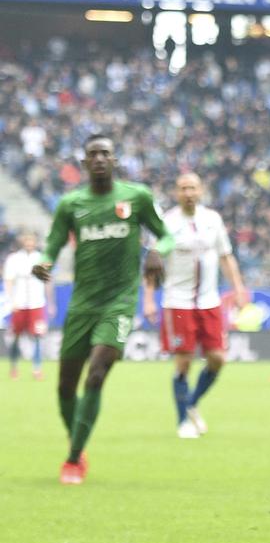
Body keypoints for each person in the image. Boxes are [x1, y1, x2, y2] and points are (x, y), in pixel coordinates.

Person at [34, 134, 172, 485]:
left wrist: (156, 249)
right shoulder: (71, 204)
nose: (99, 159)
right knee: (65, 388)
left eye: (105, 154)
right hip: (82, 304)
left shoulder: (136, 197)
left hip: (119, 303)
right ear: (84, 163)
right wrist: (45, 261)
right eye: (92, 154)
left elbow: (167, 235)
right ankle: (77, 439)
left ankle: (73, 459)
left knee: (96, 373)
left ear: (115, 160)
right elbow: (52, 243)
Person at [143, 172, 249, 438]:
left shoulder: (212, 220)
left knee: (217, 358)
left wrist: (237, 288)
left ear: (200, 191)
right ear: (176, 193)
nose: (188, 192)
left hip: (209, 301)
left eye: (192, 187)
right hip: (177, 303)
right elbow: (153, 265)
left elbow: (226, 257)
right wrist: (148, 299)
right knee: (184, 362)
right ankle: (182, 422)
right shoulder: (166, 223)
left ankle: (190, 403)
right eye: (183, 188)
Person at [4, 230, 55, 379]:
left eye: (32, 241)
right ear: (23, 242)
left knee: (38, 336)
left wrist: (51, 302)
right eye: (27, 241)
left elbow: (48, 282)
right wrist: (11, 300)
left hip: (36, 303)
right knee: (16, 335)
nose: (29, 244)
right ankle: (14, 367)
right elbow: (8, 281)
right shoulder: (14, 259)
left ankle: (37, 369)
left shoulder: (41, 258)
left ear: (35, 242)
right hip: (19, 303)